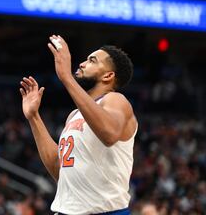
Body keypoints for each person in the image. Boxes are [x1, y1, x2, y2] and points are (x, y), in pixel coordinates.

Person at [20, 35, 137, 215]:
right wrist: (34, 117)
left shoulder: (115, 100)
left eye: (92, 60)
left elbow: (109, 133)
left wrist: (66, 77)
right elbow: (60, 169)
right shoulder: (74, 115)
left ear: (108, 75)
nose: (82, 63)